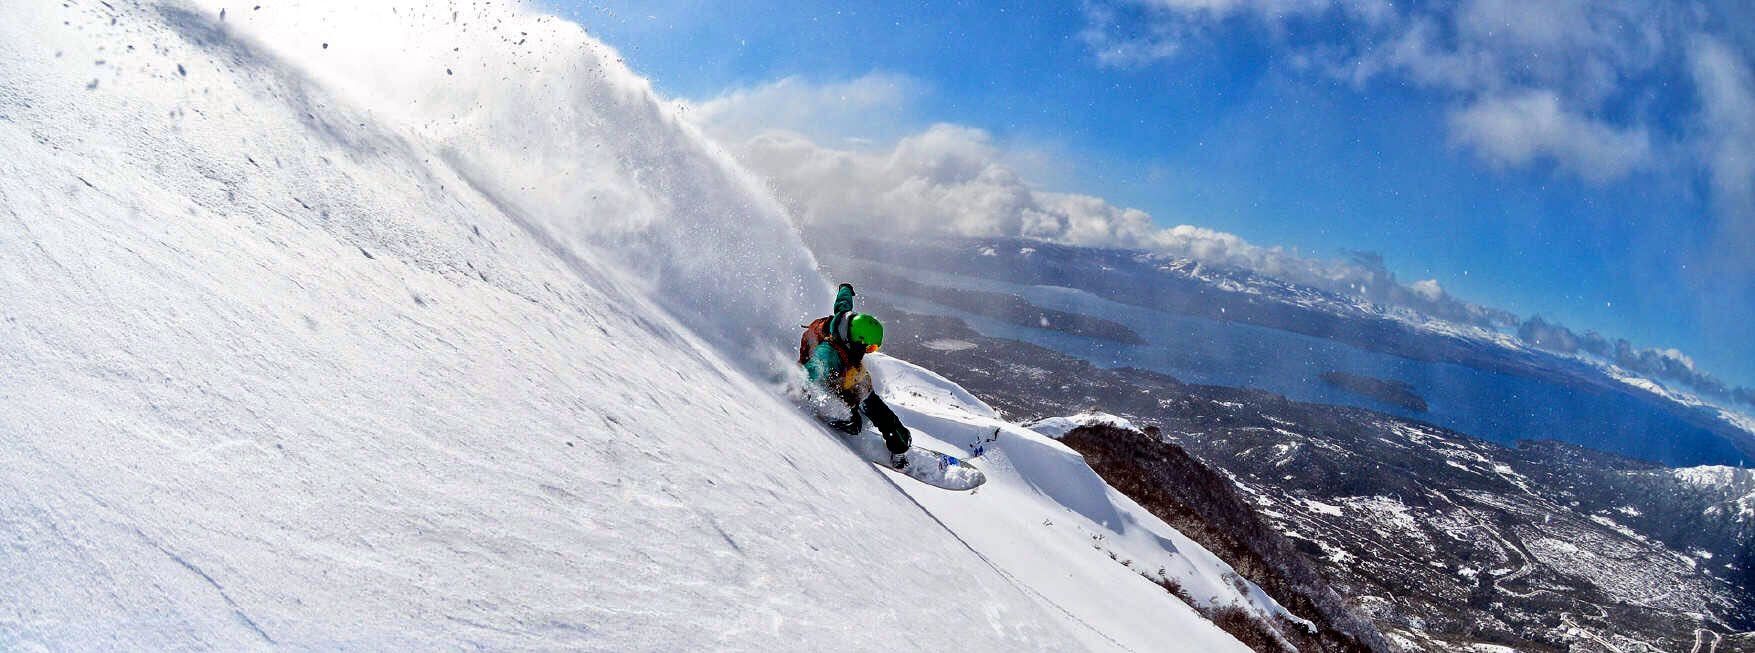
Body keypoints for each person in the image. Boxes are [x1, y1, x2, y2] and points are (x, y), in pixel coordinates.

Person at [799, 283, 912, 468]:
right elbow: (808, 373)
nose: (870, 351)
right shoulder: (827, 355)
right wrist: (798, 389)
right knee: (854, 424)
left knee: (874, 405)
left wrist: (846, 289)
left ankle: (899, 445)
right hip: (826, 388)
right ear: (858, 341)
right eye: (870, 347)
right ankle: (848, 421)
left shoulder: (846, 322)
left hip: (845, 373)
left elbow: (843, 302)